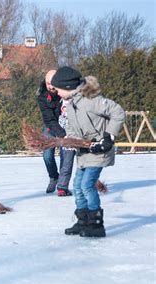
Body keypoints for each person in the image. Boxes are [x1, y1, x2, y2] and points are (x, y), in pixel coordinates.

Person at [51, 66, 125, 237]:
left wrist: (109, 136)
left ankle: (96, 224)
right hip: (85, 152)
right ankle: (83, 220)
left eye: (58, 89)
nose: (56, 92)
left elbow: (118, 112)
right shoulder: (71, 104)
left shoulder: (92, 100)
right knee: (77, 186)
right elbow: (72, 126)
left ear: (68, 87)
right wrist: (70, 140)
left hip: (99, 150)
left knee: (86, 185)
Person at [37, 70, 75, 196]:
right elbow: (49, 119)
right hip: (51, 126)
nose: (51, 87)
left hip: (68, 126)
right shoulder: (42, 96)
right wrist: (61, 134)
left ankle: (62, 186)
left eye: (53, 83)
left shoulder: (65, 92)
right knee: (47, 156)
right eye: (48, 84)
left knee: (66, 155)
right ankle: (54, 177)